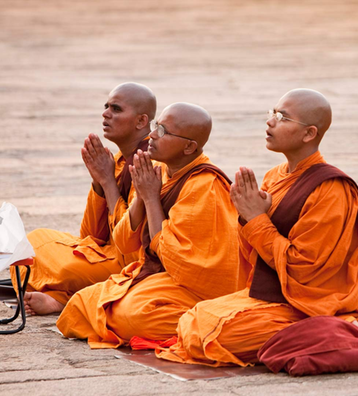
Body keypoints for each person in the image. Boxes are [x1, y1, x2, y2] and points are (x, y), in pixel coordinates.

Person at [155, 89, 358, 366]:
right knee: (194, 320)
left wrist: (256, 219)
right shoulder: (274, 177)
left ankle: (333, 329)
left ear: (309, 134)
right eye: (272, 114)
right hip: (275, 295)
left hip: (315, 303)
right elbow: (253, 255)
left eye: (282, 117)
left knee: (215, 335)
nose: (270, 122)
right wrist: (246, 217)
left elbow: (307, 268)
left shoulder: (331, 189)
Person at [56, 103, 241, 348]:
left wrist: (151, 199)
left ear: (189, 147)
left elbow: (181, 261)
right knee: (80, 303)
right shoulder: (159, 172)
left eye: (163, 132)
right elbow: (123, 242)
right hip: (162, 277)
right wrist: (141, 197)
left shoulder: (204, 187)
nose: (152, 135)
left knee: (131, 316)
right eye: (156, 127)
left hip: (198, 289)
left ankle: (209, 321)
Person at [15, 83, 156, 315]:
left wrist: (109, 182)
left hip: (134, 264)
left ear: (141, 121)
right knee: (28, 244)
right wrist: (99, 183)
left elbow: (130, 248)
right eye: (106, 106)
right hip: (109, 254)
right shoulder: (121, 159)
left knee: (62, 268)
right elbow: (91, 235)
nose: (105, 113)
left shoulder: (148, 163)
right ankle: (64, 296)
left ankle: (64, 298)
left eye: (116, 109)